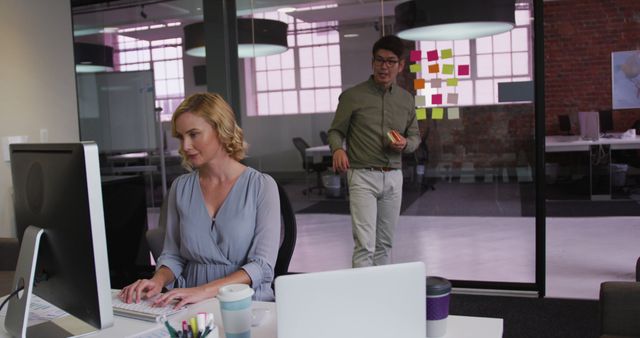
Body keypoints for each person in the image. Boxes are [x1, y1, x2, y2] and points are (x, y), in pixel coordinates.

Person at [120, 93, 280, 307]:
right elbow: (172, 256)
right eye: (181, 137)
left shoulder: (262, 186)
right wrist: (157, 281)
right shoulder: (181, 188)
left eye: (194, 134)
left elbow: (262, 266)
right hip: (188, 303)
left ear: (221, 130)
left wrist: (203, 291)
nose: (185, 146)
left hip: (246, 302)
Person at [328, 35, 420, 268]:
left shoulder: (407, 100)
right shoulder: (352, 96)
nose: (384, 66)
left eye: (391, 61)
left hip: (393, 176)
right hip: (362, 176)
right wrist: (338, 149)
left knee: (385, 244)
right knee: (365, 245)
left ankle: (382, 294)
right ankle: (363, 300)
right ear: (372, 62)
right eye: (379, 60)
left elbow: (415, 136)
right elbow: (335, 131)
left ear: (400, 66)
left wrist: (405, 145)